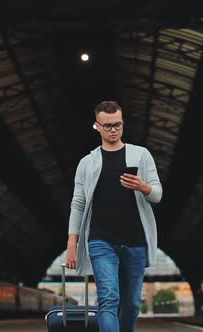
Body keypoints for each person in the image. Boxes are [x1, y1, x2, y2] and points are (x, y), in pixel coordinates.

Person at [65, 100, 162, 332]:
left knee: (131, 305)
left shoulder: (141, 155)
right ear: (97, 126)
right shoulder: (87, 163)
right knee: (108, 299)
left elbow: (157, 195)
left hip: (136, 240)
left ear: (123, 123)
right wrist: (72, 241)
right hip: (100, 240)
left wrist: (143, 187)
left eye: (117, 124)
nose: (113, 130)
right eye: (107, 126)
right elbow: (78, 203)